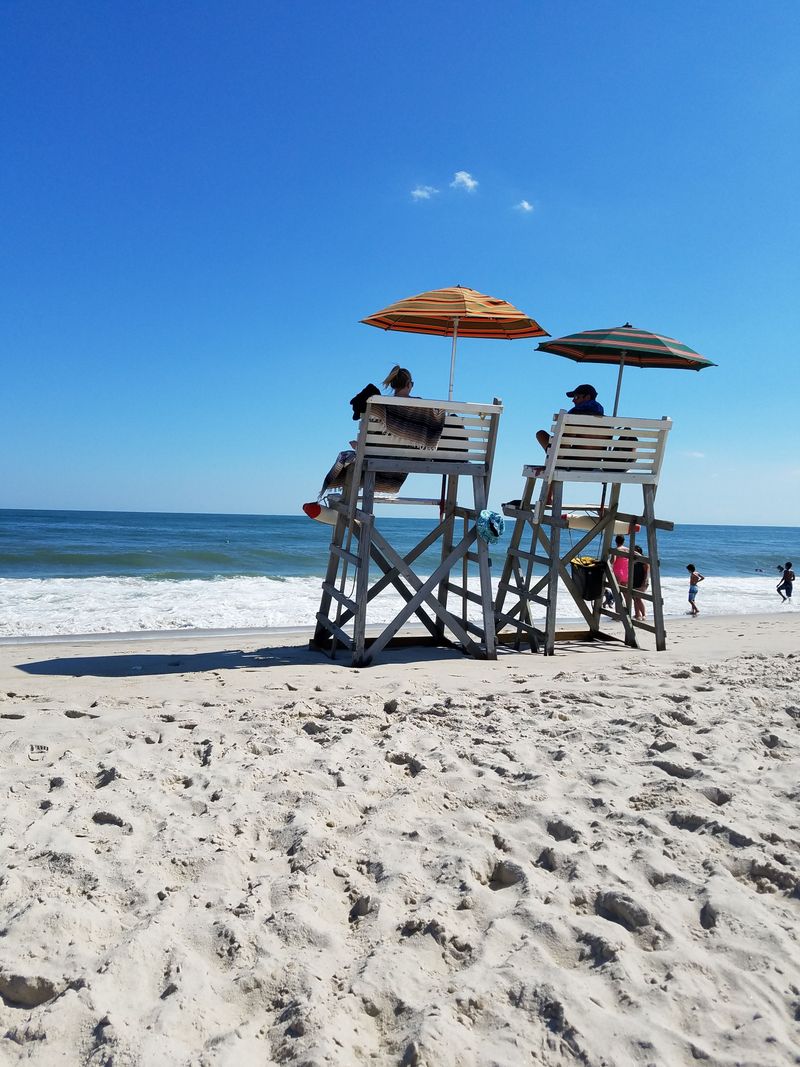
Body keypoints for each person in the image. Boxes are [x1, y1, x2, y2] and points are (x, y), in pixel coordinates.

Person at [536, 384, 604, 453]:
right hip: (597, 460)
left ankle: (550, 453)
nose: (573, 400)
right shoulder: (605, 421)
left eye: (576, 397)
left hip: (572, 459)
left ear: (587, 397)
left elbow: (563, 447)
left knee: (540, 434)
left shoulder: (574, 416)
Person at [632, 544, 649, 620]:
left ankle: (644, 614)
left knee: (638, 598)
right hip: (634, 581)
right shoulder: (634, 559)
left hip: (641, 581)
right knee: (634, 598)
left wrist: (645, 581)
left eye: (635, 550)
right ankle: (637, 614)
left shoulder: (643, 560)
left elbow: (647, 571)